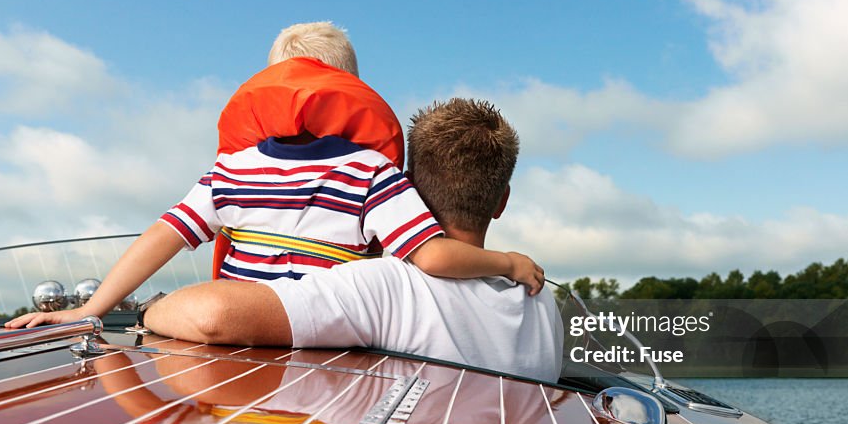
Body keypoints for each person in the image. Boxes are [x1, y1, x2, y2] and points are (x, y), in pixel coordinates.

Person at [8, 25, 543, 331]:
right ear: (350, 90)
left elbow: (161, 239)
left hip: (230, 344)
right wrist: (509, 262)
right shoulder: (371, 172)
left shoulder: (229, 172)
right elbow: (431, 257)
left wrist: (88, 310)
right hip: (328, 350)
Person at [142, 98, 565, 383]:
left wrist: (148, 311)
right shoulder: (541, 301)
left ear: (408, 191)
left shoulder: (386, 286)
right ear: (501, 201)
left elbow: (212, 317)